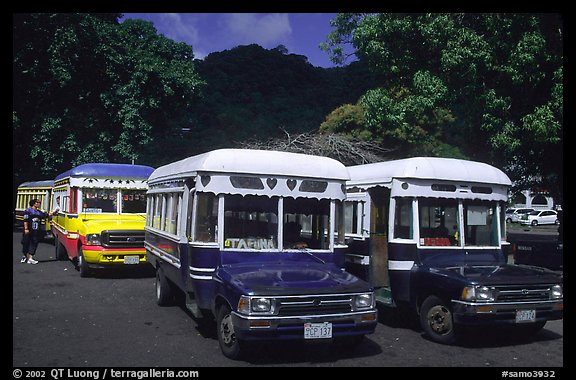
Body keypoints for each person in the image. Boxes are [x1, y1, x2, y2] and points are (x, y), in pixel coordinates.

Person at [21, 198, 55, 264]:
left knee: (34, 243)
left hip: (36, 231)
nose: (39, 204)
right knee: (26, 243)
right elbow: (25, 220)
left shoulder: (38, 212)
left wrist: (53, 213)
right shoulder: (28, 211)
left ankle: (30, 258)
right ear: (34, 203)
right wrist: (26, 228)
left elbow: (46, 216)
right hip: (29, 230)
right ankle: (26, 256)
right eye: (38, 202)